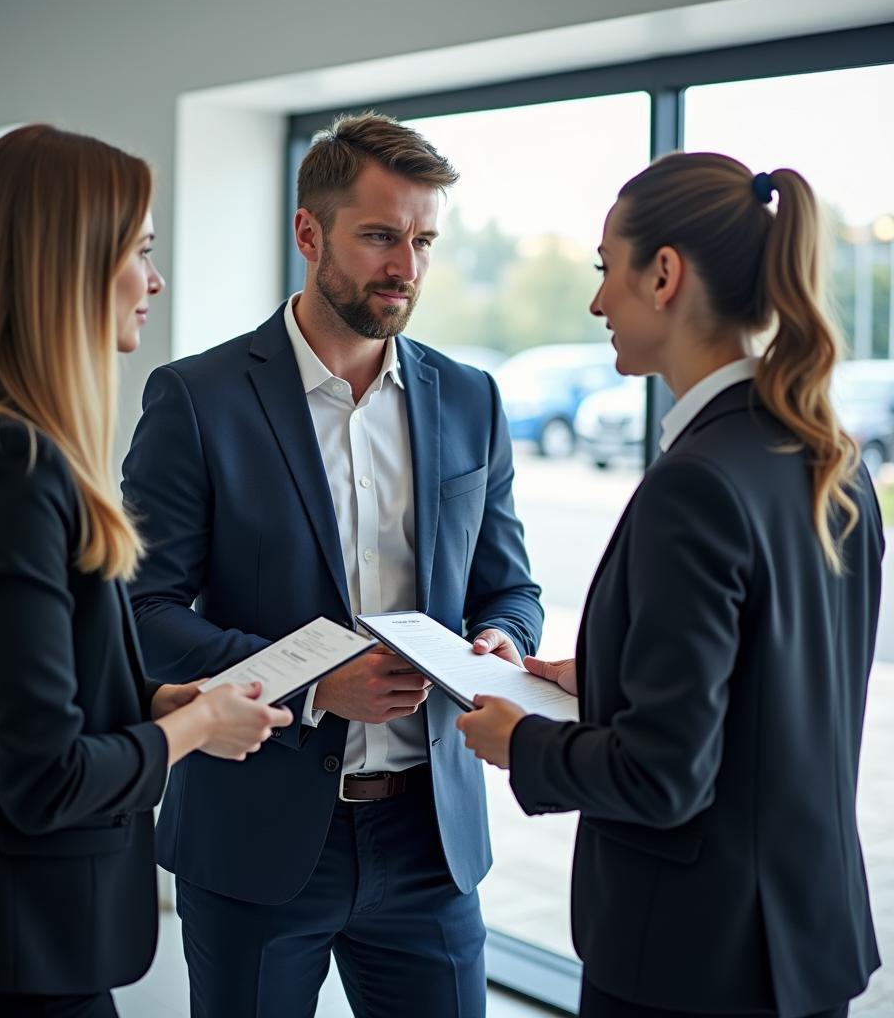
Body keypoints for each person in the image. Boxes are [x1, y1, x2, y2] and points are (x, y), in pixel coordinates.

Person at [121, 111, 543, 1018]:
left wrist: (499, 642)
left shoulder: (470, 399)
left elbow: (509, 586)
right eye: (382, 236)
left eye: (424, 240)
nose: (408, 267)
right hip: (257, 840)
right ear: (309, 233)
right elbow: (144, 614)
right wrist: (316, 685)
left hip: (432, 840)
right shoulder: (196, 399)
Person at [0, 124, 292, 1018]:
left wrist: (149, 705)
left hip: (13, 942)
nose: (156, 279)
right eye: (140, 251)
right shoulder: (7, 465)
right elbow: (43, 777)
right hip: (11, 950)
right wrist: (198, 727)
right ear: (70, 266)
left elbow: (17, 701)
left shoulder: (4, 448)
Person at [457, 151, 883, 1018]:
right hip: (801, 944)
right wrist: (609, 676)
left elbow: (663, 778)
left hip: (691, 962)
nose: (596, 302)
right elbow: (785, 691)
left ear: (664, 275)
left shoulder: (697, 482)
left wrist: (520, 744)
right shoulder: (827, 461)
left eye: (604, 270)